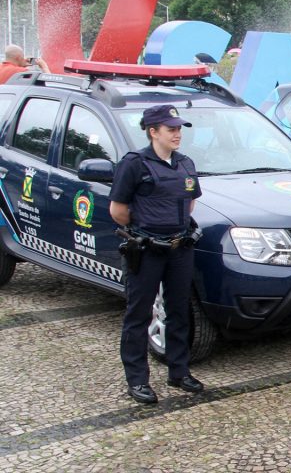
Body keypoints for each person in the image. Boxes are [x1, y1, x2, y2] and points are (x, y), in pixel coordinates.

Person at [109, 105, 204, 404]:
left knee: (178, 311)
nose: (177, 134)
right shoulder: (134, 164)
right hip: (147, 249)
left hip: (179, 249)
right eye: (170, 129)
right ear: (153, 131)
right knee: (139, 315)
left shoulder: (186, 164)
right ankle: (137, 380)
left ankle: (179, 371)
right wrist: (146, 233)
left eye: (179, 128)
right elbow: (118, 211)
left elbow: (189, 205)